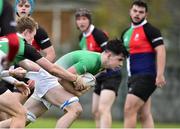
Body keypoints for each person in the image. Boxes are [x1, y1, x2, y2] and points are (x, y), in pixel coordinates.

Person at [0, 39, 128, 128]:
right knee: (75, 109)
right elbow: (63, 78)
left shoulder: (100, 66)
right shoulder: (90, 61)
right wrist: (76, 92)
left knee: (24, 118)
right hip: (50, 81)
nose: (121, 64)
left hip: (49, 82)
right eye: (120, 59)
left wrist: (78, 90)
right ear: (109, 55)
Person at [120, 1, 166, 128]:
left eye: (141, 12)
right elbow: (120, 56)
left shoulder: (151, 30)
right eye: (135, 11)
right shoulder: (125, 33)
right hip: (132, 77)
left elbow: (161, 50)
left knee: (129, 109)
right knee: (144, 114)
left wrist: (160, 74)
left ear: (146, 14)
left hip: (146, 76)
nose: (137, 14)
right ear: (130, 11)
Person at [75, 8, 122, 128]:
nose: (81, 22)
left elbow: (110, 54)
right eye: (78, 19)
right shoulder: (81, 37)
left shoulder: (98, 34)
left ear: (89, 21)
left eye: (84, 19)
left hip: (111, 74)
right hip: (98, 76)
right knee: (95, 111)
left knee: (103, 109)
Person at [0, 0, 31, 128]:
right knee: (20, 113)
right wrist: (9, 60)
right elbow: (14, 42)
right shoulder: (4, 5)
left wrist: (14, 81)